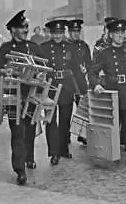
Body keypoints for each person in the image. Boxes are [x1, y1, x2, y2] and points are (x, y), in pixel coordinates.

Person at [88, 19, 126, 171]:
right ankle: (109, 156)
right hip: (112, 95)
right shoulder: (104, 53)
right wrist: (97, 84)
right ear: (111, 35)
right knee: (111, 129)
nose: (120, 36)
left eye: (123, 33)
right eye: (117, 33)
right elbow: (92, 72)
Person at [0, 10, 42, 185]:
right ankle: (20, 170)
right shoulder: (5, 49)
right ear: (13, 30)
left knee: (30, 130)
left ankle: (29, 157)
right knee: (18, 133)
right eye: (22, 28)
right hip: (14, 98)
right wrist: (5, 71)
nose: (25, 30)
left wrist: (40, 77)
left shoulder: (34, 48)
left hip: (32, 96)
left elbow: (44, 67)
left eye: (26, 27)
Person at [41, 20, 80, 165]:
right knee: (51, 120)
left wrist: (80, 88)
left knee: (65, 120)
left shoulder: (70, 47)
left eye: (60, 33)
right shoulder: (43, 48)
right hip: (50, 86)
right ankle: (54, 153)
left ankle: (63, 149)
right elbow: (39, 68)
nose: (57, 36)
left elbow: (76, 68)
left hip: (66, 86)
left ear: (63, 33)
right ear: (51, 34)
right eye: (54, 33)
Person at [66, 18, 91, 145]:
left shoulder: (84, 46)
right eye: (73, 31)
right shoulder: (65, 45)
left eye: (77, 31)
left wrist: (87, 68)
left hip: (80, 82)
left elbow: (89, 63)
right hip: (67, 82)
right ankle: (66, 135)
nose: (76, 34)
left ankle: (82, 134)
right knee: (67, 110)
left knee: (82, 108)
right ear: (68, 32)